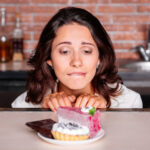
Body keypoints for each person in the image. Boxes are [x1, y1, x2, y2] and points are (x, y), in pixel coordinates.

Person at [11, 7, 143, 111]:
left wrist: (108, 114)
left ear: (100, 58)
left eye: (86, 51)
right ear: (48, 58)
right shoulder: (23, 106)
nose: (76, 62)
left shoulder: (129, 102)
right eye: (65, 51)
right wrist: (43, 115)